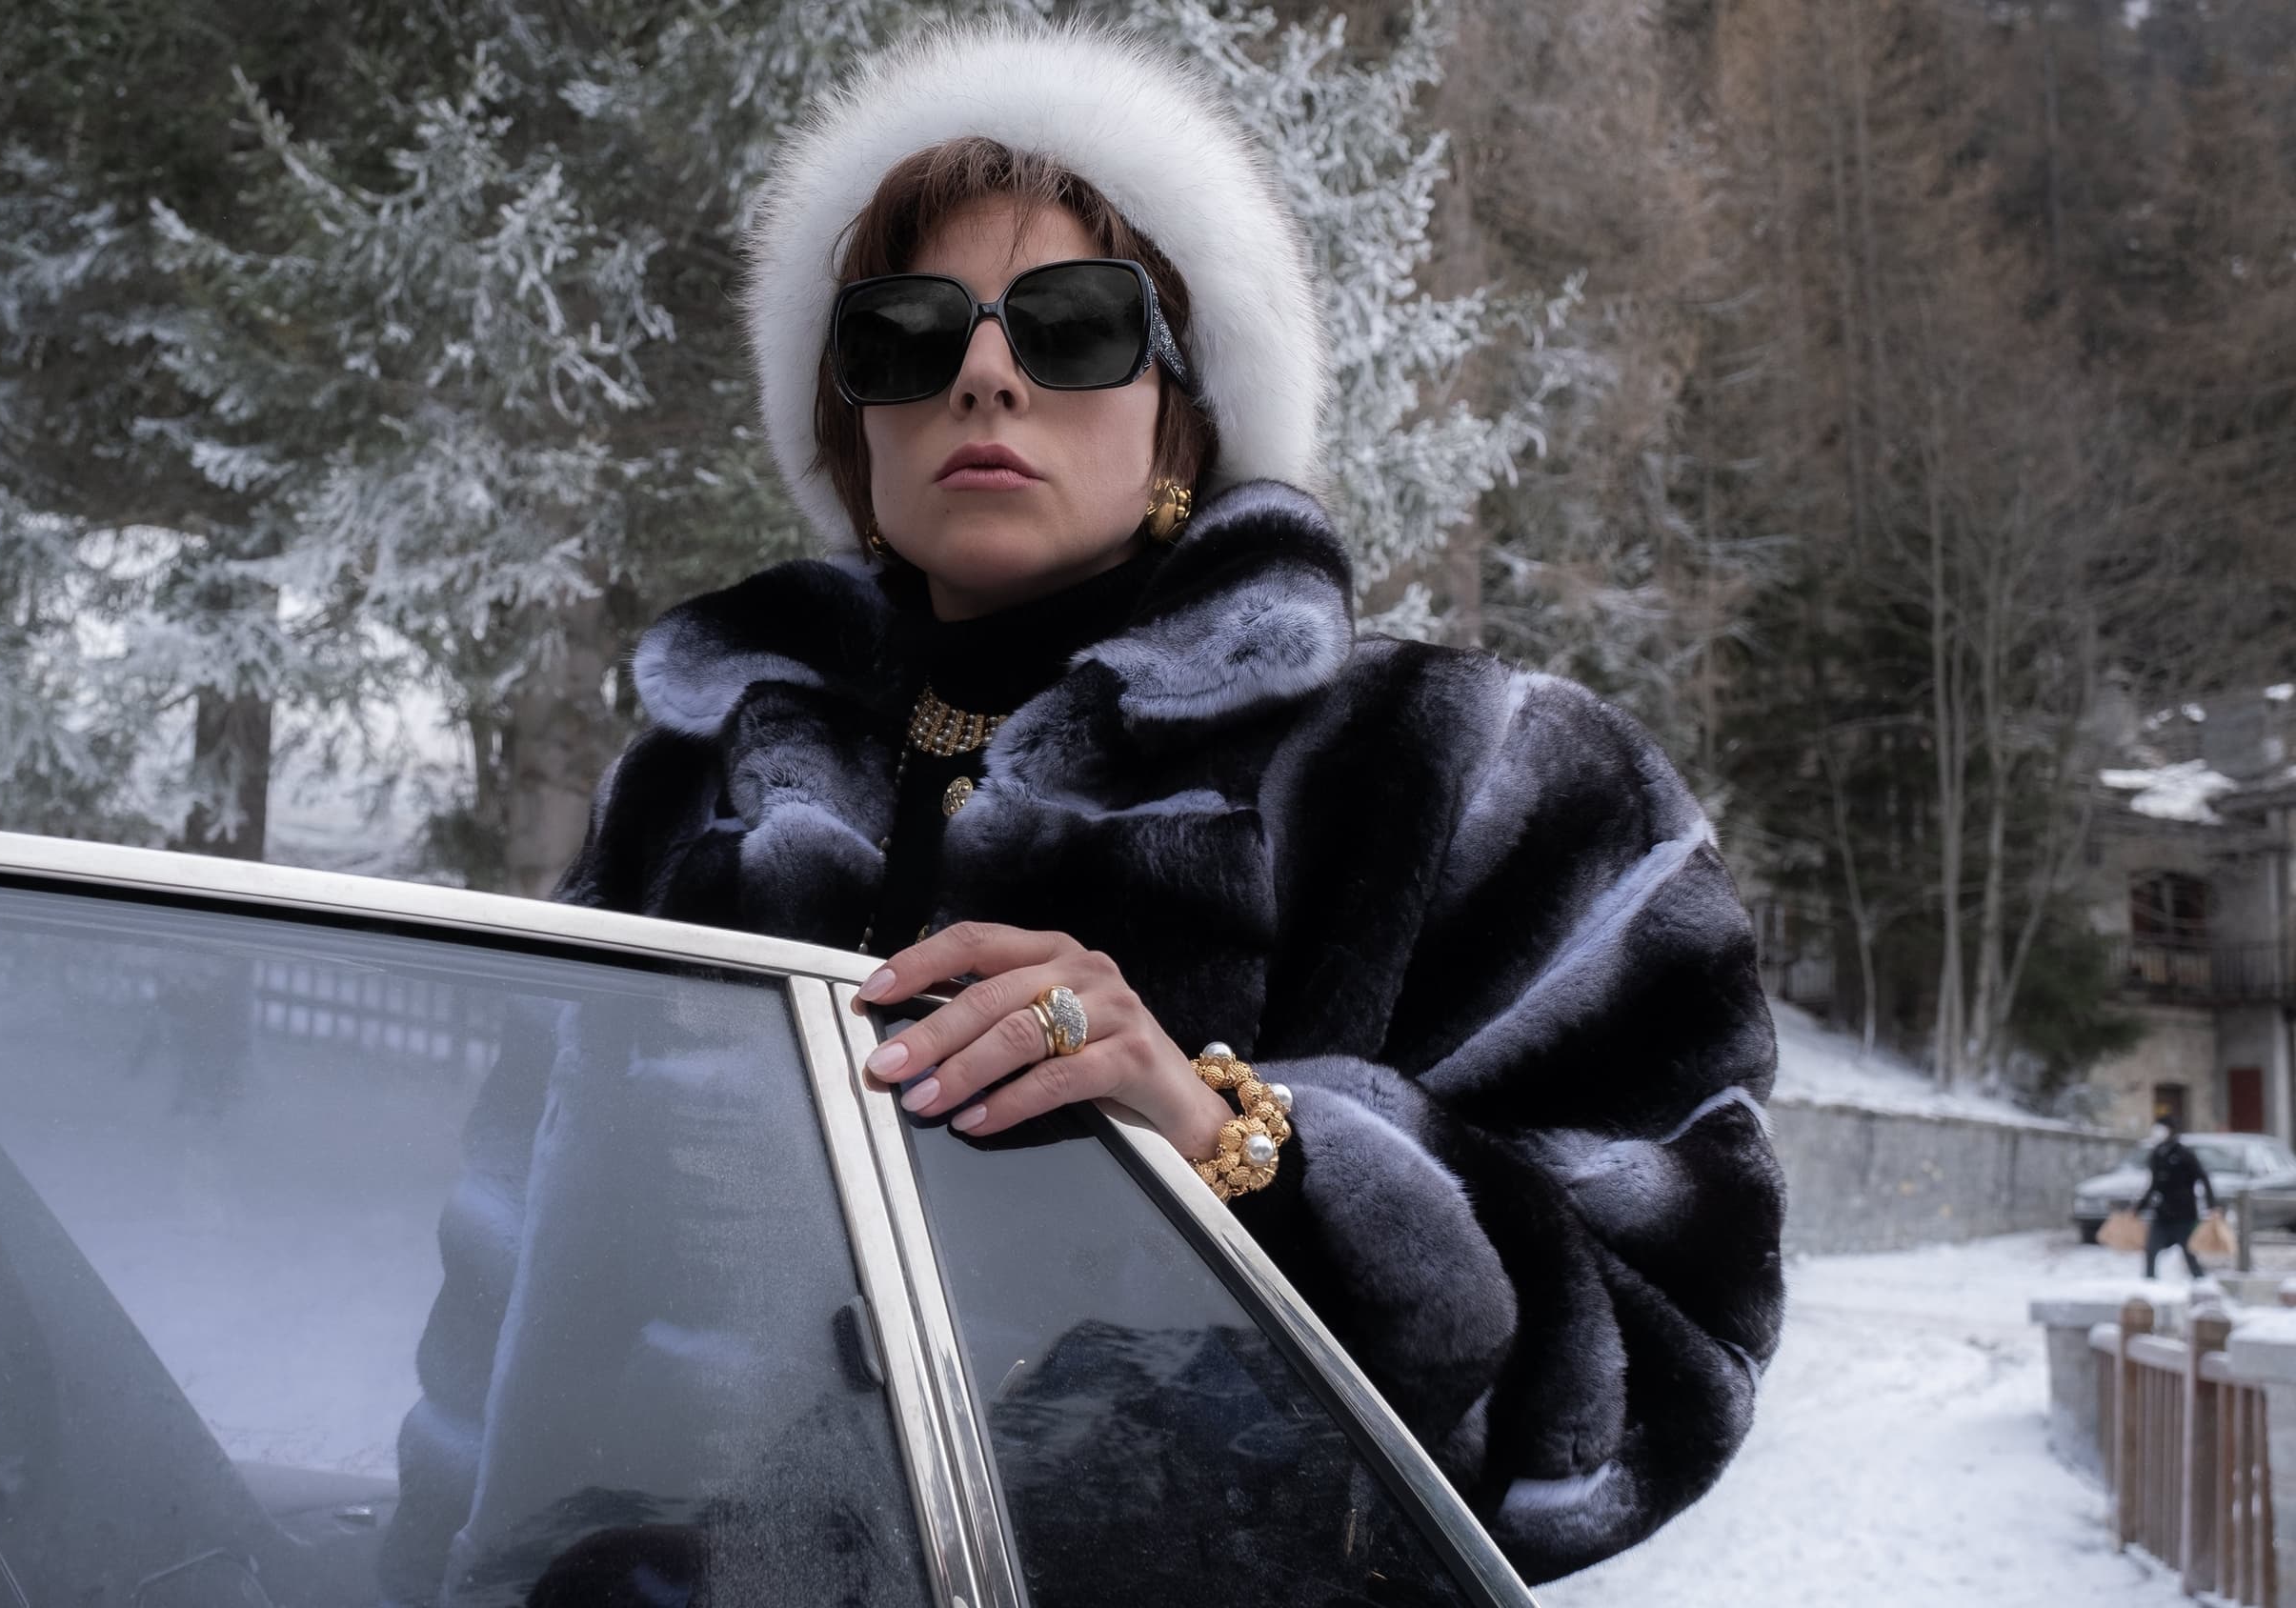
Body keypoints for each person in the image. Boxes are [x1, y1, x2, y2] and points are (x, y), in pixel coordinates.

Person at [553, 22, 1783, 1583]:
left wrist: (1230, 1138)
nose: (983, 373)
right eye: (905, 333)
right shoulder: (694, 792)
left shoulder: (1465, 775)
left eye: (1073, 323)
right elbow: (524, 1328)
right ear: (850, 417)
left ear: (1183, 406)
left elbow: (1663, 1373)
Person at [2135, 1121, 2216, 1280]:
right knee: (2151, 1249)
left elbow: (2203, 1177)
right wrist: (2139, 1207)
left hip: (2184, 1213)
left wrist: (2211, 1204)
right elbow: (2155, 1185)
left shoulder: (2184, 1154)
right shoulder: (2157, 1154)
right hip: (2162, 1212)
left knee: (2189, 1250)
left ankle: (2200, 1280)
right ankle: (2149, 1282)